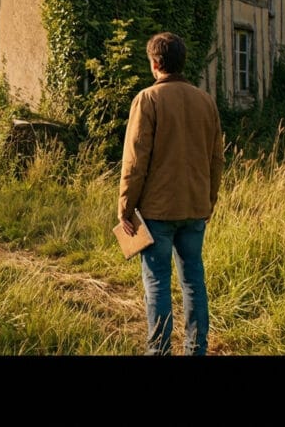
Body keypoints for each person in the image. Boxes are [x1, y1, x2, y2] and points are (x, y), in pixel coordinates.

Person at [117, 31, 225, 356]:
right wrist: (210, 199)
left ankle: (159, 351)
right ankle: (196, 349)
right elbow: (216, 158)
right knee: (193, 280)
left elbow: (135, 161)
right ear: (182, 62)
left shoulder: (147, 99)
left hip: (157, 212)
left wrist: (125, 207)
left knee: (158, 283)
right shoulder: (206, 100)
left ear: (154, 63)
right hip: (195, 207)